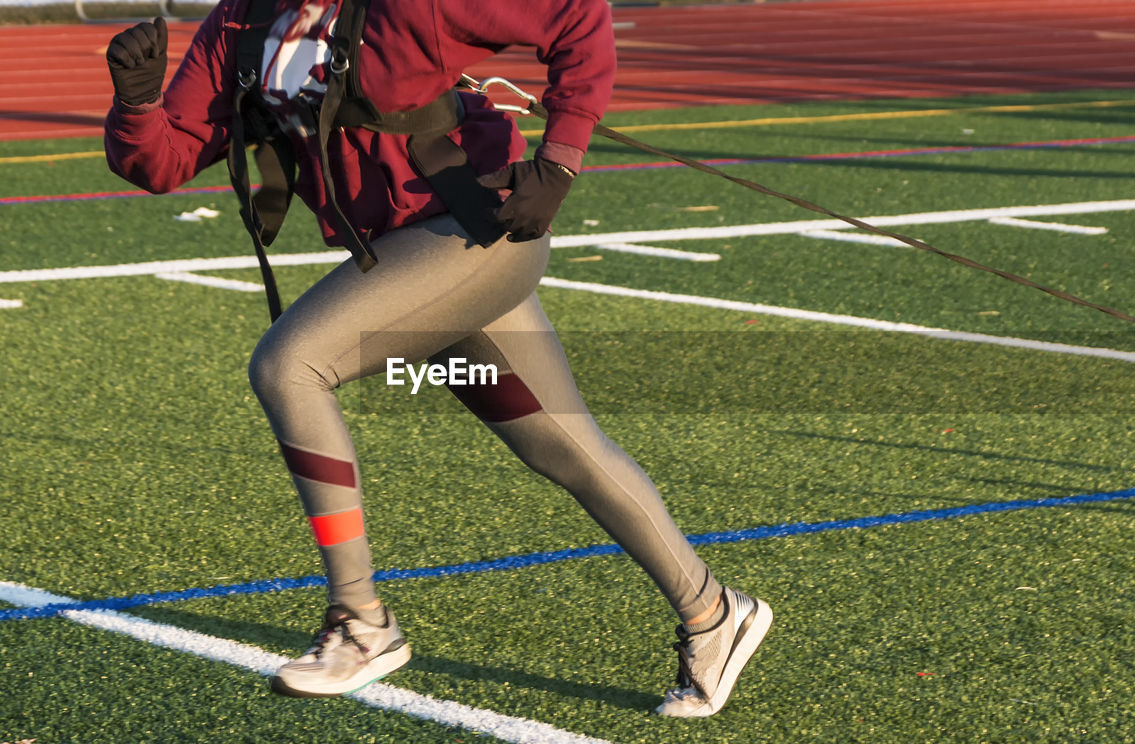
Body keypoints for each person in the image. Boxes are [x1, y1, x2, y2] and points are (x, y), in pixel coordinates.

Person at [103, 0, 769, 717]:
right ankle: (715, 613)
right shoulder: (239, 21)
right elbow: (164, 161)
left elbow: (578, 15)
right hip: (410, 262)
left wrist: (560, 159)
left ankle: (361, 623)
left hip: (475, 234)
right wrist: (136, 102)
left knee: (288, 366)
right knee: (566, 447)